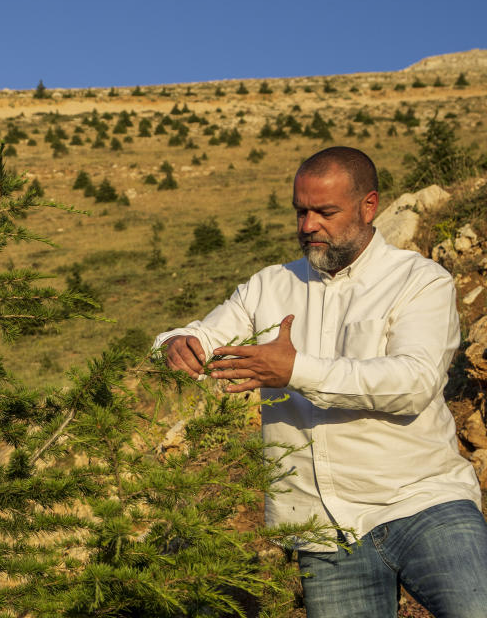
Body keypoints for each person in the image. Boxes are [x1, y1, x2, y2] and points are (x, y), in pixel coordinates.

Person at [154, 146, 487, 617]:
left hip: (424, 504)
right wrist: (179, 343)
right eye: (300, 211)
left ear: (369, 206)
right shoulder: (268, 287)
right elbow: (201, 334)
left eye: (324, 211)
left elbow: (415, 379)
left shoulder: (419, 280)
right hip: (320, 531)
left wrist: (295, 371)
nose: (308, 225)